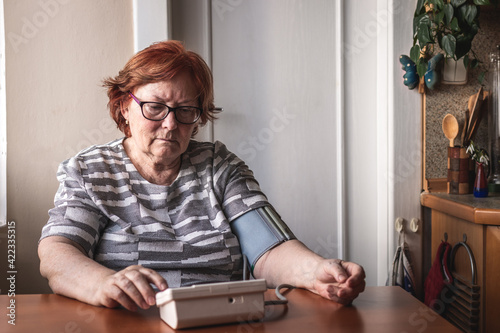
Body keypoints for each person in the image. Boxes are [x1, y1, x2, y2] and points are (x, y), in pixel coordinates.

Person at [38, 40, 365, 312]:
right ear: (124, 105)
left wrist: (317, 272)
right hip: (127, 322)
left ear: (198, 119)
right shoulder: (91, 170)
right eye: (155, 107)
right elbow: (58, 253)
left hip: (216, 322)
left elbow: (270, 248)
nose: (170, 124)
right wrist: (103, 283)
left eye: (185, 111)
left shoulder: (219, 166)